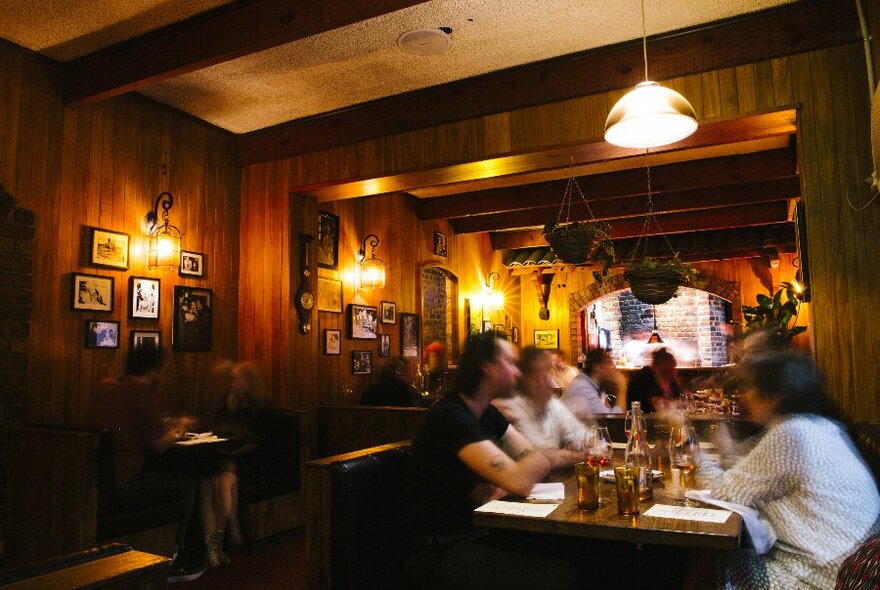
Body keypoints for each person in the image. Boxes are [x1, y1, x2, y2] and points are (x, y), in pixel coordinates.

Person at [406, 331, 582, 590]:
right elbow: (522, 479)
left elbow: (532, 460)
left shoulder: (485, 412)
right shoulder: (451, 416)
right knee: (561, 576)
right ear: (488, 367)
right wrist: (514, 476)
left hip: (479, 531)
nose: (517, 372)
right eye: (510, 363)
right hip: (442, 547)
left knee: (577, 550)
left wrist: (506, 481)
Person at [693, 350, 880, 589]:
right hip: (855, 565)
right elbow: (755, 472)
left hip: (826, 577)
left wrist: (693, 455)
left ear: (774, 397)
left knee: (710, 558)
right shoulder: (821, 425)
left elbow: (724, 490)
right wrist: (726, 450)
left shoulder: (791, 434)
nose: (744, 395)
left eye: (750, 387)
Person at [88, 341, 204, 583]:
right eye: (162, 369)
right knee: (189, 485)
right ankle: (175, 558)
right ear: (153, 369)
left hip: (95, 482)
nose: (162, 375)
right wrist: (181, 428)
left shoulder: (105, 387)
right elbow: (160, 443)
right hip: (125, 483)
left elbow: (130, 429)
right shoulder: (140, 391)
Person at [202, 360, 274, 567]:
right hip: (224, 455)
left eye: (235, 379)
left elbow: (260, 441)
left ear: (247, 381)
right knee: (207, 483)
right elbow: (213, 427)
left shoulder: (258, 405)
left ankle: (220, 541)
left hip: (250, 459)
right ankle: (219, 541)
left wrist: (233, 449)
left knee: (223, 480)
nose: (231, 383)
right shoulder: (224, 402)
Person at [493, 346, 586, 468]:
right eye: (538, 375)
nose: (546, 380)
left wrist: (579, 446)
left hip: (550, 482)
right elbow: (541, 458)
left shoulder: (552, 403)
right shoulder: (509, 406)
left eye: (548, 372)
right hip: (518, 484)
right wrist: (581, 455)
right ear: (524, 377)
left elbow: (585, 437)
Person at [561, 348, 625, 421]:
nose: (613, 368)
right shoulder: (583, 388)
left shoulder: (594, 385)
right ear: (598, 367)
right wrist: (622, 388)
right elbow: (612, 421)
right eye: (609, 363)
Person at [626, 347, 681, 413]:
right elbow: (658, 405)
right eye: (671, 368)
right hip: (643, 419)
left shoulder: (670, 380)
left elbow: (679, 398)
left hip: (660, 418)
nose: (674, 371)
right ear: (662, 365)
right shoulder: (645, 376)